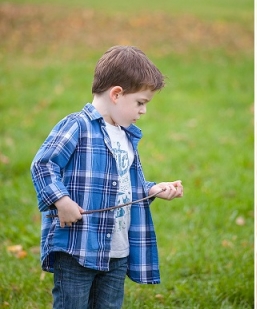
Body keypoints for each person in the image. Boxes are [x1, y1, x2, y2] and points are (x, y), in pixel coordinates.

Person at [31, 45, 184, 309]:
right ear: (116, 94)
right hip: (78, 247)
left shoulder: (126, 136)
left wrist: (152, 190)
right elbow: (43, 164)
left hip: (117, 250)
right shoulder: (77, 126)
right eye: (140, 103)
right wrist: (61, 201)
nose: (143, 111)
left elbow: (124, 184)